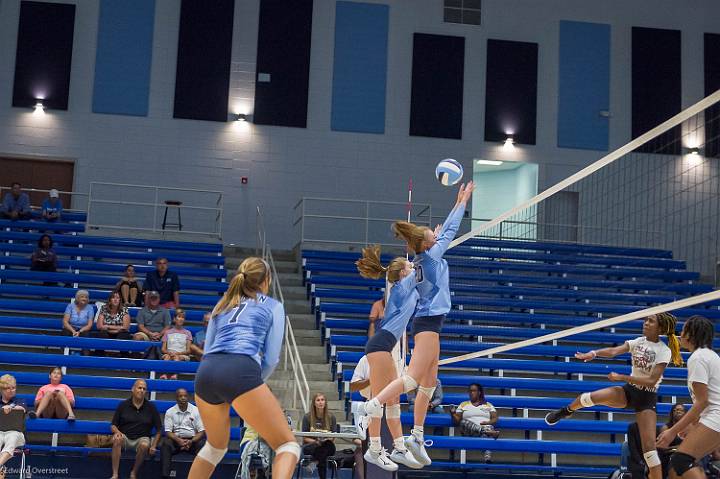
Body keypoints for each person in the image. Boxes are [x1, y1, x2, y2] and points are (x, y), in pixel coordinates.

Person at [361, 182, 474, 468]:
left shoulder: (422, 263)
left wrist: (425, 240)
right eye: (429, 237)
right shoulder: (417, 269)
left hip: (427, 324)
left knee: (429, 382)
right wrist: (460, 203)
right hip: (423, 325)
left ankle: (414, 437)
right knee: (411, 380)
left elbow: (432, 242)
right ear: (426, 245)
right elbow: (448, 232)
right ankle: (373, 409)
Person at [188, 257, 298, 479]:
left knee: (215, 448)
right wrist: (252, 384)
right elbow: (271, 358)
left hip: (206, 372)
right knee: (287, 445)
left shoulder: (222, 305)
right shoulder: (273, 306)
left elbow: (207, 350)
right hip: (241, 370)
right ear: (267, 280)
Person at [545, 313, 683, 479]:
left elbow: (652, 381)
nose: (645, 323)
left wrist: (621, 377)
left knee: (650, 451)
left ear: (660, 328)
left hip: (646, 398)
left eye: (650, 321)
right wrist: (594, 353)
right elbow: (613, 351)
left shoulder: (663, 350)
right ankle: (566, 411)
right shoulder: (638, 341)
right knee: (589, 397)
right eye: (645, 320)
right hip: (629, 391)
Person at [355, 245, 423, 470]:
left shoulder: (404, 286)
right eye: (408, 266)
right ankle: (374, 449)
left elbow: (420, 276)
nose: (412, 267)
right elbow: (421, 269)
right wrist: (421, 248)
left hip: (385, 344)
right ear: (403, 273)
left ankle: (399, 448)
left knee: (393, 400)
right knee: (380, 400)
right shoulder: (402, 287)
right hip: (381, 344)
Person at [657, 315, 720, 478]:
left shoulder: (698, 358)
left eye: (683, 330)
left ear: (691, 334)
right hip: (714, 418)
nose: (680, 334)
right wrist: (693, 424)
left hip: (716, 418)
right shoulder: (710, 355)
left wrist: (672, 431)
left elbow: (703, 402)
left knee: (681, 461)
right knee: (683, 463)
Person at [110, 379, 162, 479]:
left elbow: (159, 429)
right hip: (125, 437)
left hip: (142, 438)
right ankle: (115, 474)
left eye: (144, 389)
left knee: (144, 445)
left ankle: (133, 472)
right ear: (133, 389)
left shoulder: (151, 407)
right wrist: (117, 432)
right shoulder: (123, 405)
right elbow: (113, 425)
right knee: (116, 439)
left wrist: (154, 445)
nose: (142, 390)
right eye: (139, 388)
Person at [161, 388, 205, 479]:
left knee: (203, 445)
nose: (183, 398)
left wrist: (191, 441)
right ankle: (165, 476)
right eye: (180, 396)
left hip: (192, 441)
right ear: (176, 398)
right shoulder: (170, 412)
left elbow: (201, 432)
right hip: (176, 441)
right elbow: (168, 432)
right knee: (165, 444)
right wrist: (178, 440)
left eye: (185, 396)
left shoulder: (196, 411)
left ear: (188, 397)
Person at [450, 383, 499, 463]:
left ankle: (487, 458)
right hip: (468, 431)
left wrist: (488, 422)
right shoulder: (463, 404)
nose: (471, 393)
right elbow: (457, 421)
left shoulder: (488, 405)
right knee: (463, 422)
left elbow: (495, 418)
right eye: (470, 391)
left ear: (479, 392)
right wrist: (453, 413)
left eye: (474, 391)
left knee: (488, 428)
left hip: (485, 428)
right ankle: (488, 433)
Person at [301, 393, 338, 479]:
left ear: (325, 402)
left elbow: (333, 437)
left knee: (326, 446)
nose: (320, 402)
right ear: (314, 403)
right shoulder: (307, 417)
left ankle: (315, 462)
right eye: (318, 400)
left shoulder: (331, 417)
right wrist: (316, 442)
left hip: (327, 445)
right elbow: (305, 438)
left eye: (322, 400)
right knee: (322, 452)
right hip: (311, 446)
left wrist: (323, 441)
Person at [0, 374, 26, 478]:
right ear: (1, 389)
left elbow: (22, 409)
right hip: (0, 432)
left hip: (17, 433)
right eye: (8, 388)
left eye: (13, 388)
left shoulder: (20, 400)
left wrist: (10, 407)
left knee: (12, 438)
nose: (12, 390)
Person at [160, 309, 193, 379]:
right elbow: (163, 349)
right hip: (169, 354)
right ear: (174, 319)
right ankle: (164, 374)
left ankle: (175, 375)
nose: (181, 319)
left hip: (182, 355)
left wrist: (177, 353)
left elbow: (188, 350)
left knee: (176, 358)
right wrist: (170, 353)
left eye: (183, 317)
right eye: (179, 317)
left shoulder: (188, 333)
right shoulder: (167, 332)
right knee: (167, 357)